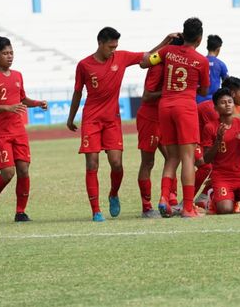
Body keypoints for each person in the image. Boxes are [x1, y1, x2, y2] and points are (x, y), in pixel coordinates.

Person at [66, 27, 171, 222]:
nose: (113, 50)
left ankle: (113, 193)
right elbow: (78, 92)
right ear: (100, 43)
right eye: (110, 46)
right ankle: (96, 211)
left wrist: (165, 41)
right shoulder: (84, 65)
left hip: (112, 120)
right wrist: (71, 118)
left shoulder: (121, 58)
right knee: (92, 163)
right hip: (91, 119)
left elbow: (147, 58)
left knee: (116, 164)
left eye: (116, 46)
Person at [0, 37, 48, 223]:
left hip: (19, 131)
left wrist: (37, 103)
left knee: (24, 170)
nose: (9, 56)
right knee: (8, 173)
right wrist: (7, 108)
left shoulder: (18, 75)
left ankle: (20, 212)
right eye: (5, 53)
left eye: (11, 53)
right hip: (1, 133)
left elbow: (23, 99)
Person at [152, 17, 210, 218]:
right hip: (185, 108)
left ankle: (163, 198)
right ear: (200, 39)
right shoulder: (201, 61)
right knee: (187, 157)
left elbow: (145, 62)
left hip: (165, 106)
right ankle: (187, 207)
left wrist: (164, 42)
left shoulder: (167, 51)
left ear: (183, 34)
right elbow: (203, 90)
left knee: (172, 157)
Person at [200, 88, 240, 214]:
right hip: (221, 177)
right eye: (223, 102)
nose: (227, 105)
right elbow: (206, 159)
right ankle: (214, 197)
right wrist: (218, 140)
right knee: (225, 210)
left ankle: (233, 198)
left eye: (230, 102)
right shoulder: (210, 127)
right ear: (216, 108)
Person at [194, 76, 240, 206]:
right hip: (192, 141)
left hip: (202, 140)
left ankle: (205, 197)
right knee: (206, 165)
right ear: (233, 93)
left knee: (220, 163)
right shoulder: (216, 110)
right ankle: (186, 202)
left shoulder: (223, 109)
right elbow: (211, 134)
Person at [135, 61, 165, 218]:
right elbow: (146, 96)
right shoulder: (158, 67)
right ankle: (146, 208)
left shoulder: (174, 65)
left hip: (163, 116)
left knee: (173, 157)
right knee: (148, 162)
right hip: (150, 118)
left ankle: (168, 201)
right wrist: (167, 92)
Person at [196, 34, 228, 103]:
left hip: (198, 99)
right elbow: (227, 83)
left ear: (207, 47)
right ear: (218, 49)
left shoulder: (199, 62)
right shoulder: (220, 64)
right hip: (214, 101)